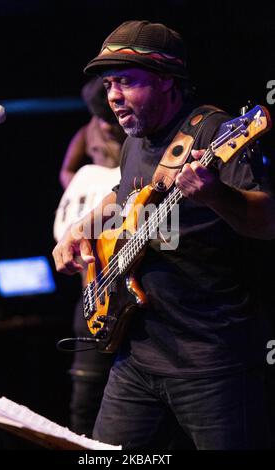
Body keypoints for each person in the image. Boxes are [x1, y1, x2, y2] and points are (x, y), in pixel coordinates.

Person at [52, 20, 275, 449]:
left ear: (168, 82)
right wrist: (81, 229)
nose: (113, 96)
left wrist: (215, 195)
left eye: (127, 82)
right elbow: (122, 194)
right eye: (109, 83)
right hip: (137, 356)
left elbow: (266, 222)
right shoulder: (136, 138)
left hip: (212, 361)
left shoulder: (214, 133)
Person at [54, 78, 125, 437]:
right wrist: (88, 188)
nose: (109, 126)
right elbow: (68, 170)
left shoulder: (137, 136)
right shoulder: (89, 131)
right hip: (95, 266)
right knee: (86, 388)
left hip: (126, 239)